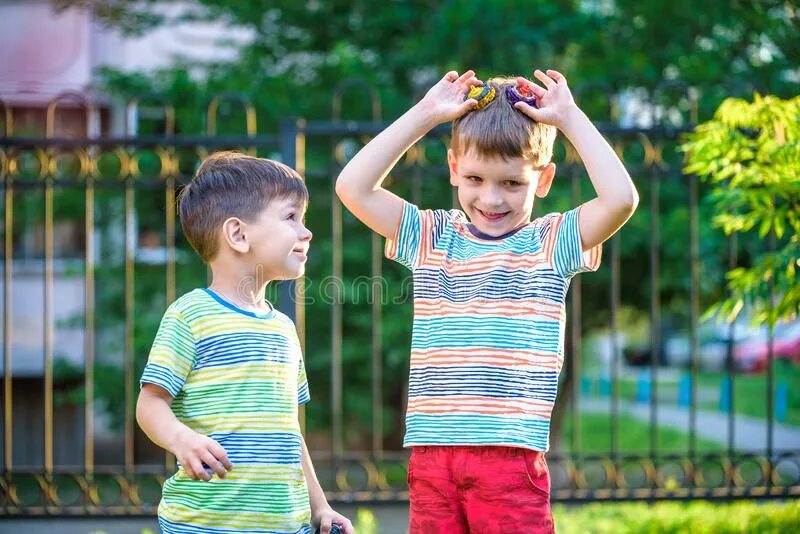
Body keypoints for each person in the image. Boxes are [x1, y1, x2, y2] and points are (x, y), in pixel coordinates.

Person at [335, 69, 638, 532]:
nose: (491, 197)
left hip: (510, 459)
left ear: (543, 179)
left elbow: (620, 199)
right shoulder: (433, 237)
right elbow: (352, 186)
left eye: (512, 183)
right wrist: (425, 115)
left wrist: (570, 119)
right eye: (475, 177)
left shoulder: (550, 243)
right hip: (432, 456)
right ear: (453, 166)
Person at [137, 151, 353, 534]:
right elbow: (150, 403)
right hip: (205, 524)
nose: (306, 232)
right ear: (238, 234)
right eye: (291, 217)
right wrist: (181, 439)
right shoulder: (190, 315)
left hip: (285, 525)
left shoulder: (283, 328)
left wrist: (319, 507)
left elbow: (288, 432)